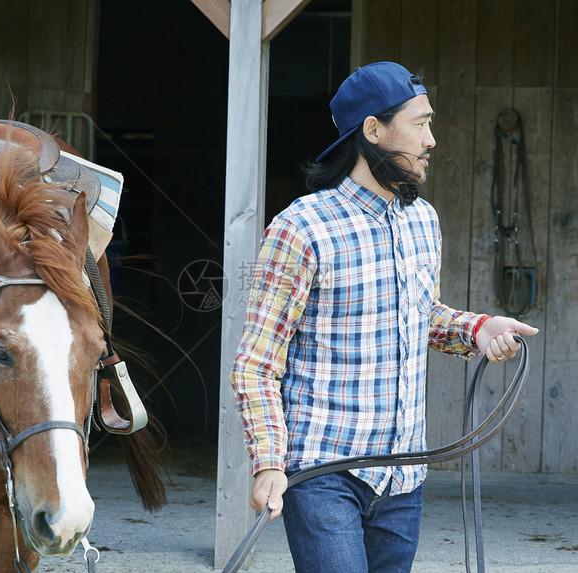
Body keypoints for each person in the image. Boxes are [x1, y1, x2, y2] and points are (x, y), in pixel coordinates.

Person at [230, 61, 539, 573]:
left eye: (429, 122)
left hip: (404, 478)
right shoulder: (301, 228)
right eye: (419, 123)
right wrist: (268, 463)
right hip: (325, 473)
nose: (431, 139)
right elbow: (256, 363)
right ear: (373, 130)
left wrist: (480, 329)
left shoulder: (424, 221)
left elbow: (421, 315)